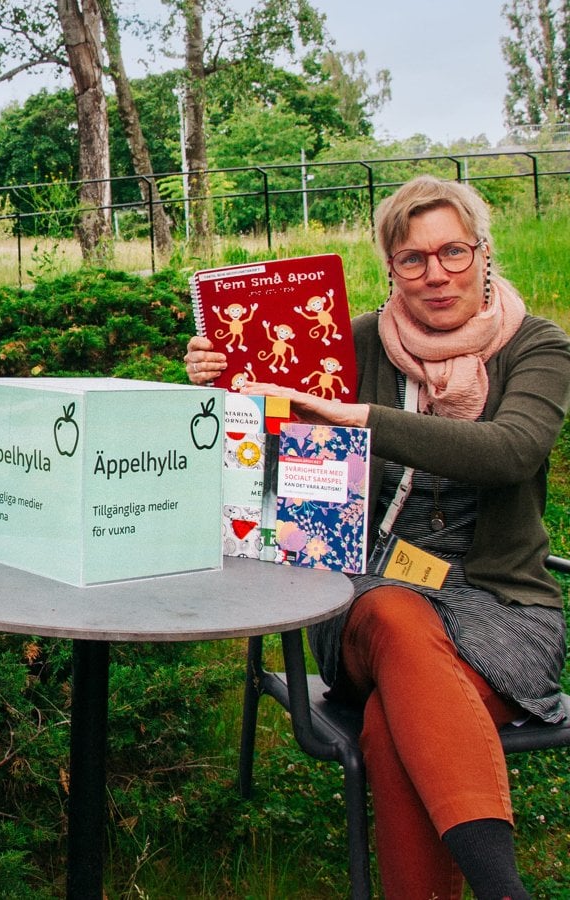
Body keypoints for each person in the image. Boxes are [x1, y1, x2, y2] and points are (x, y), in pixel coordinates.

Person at [186, 175, 570, 900]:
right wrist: (223, 378)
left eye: (453, 252)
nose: (436, 274)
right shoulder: (351, 343)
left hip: (503, 607)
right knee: (395, 614)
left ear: (484, 253)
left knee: (396, 725)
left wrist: (361, 417)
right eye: (412, 258)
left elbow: (512, 451)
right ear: (390, 267)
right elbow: (265, 451)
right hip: (365, 594)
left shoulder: (538, 346)